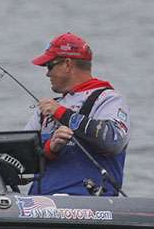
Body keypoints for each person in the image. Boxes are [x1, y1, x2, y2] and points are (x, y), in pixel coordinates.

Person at [25, 33, 130, 195]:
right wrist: (50, 149)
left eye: (49, 66)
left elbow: (112, 140)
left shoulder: (108, 99)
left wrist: (62, 114)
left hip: (88, 205)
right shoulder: (46, 108)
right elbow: (21, 157)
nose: (47, 74)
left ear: (67, 64)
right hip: (40, 205)